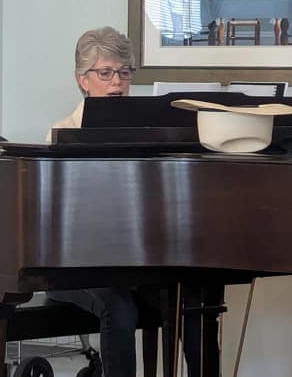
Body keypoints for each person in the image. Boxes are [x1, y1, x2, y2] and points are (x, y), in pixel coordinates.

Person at [46, 26, 221, 377]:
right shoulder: (61, 134)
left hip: (136, 262)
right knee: (119, 307)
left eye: (124, 73)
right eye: (105, 73)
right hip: (76, 266)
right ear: (82, 79)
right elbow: (57, 221)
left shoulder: (147, 133)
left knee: (193, 301)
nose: (117, 82)